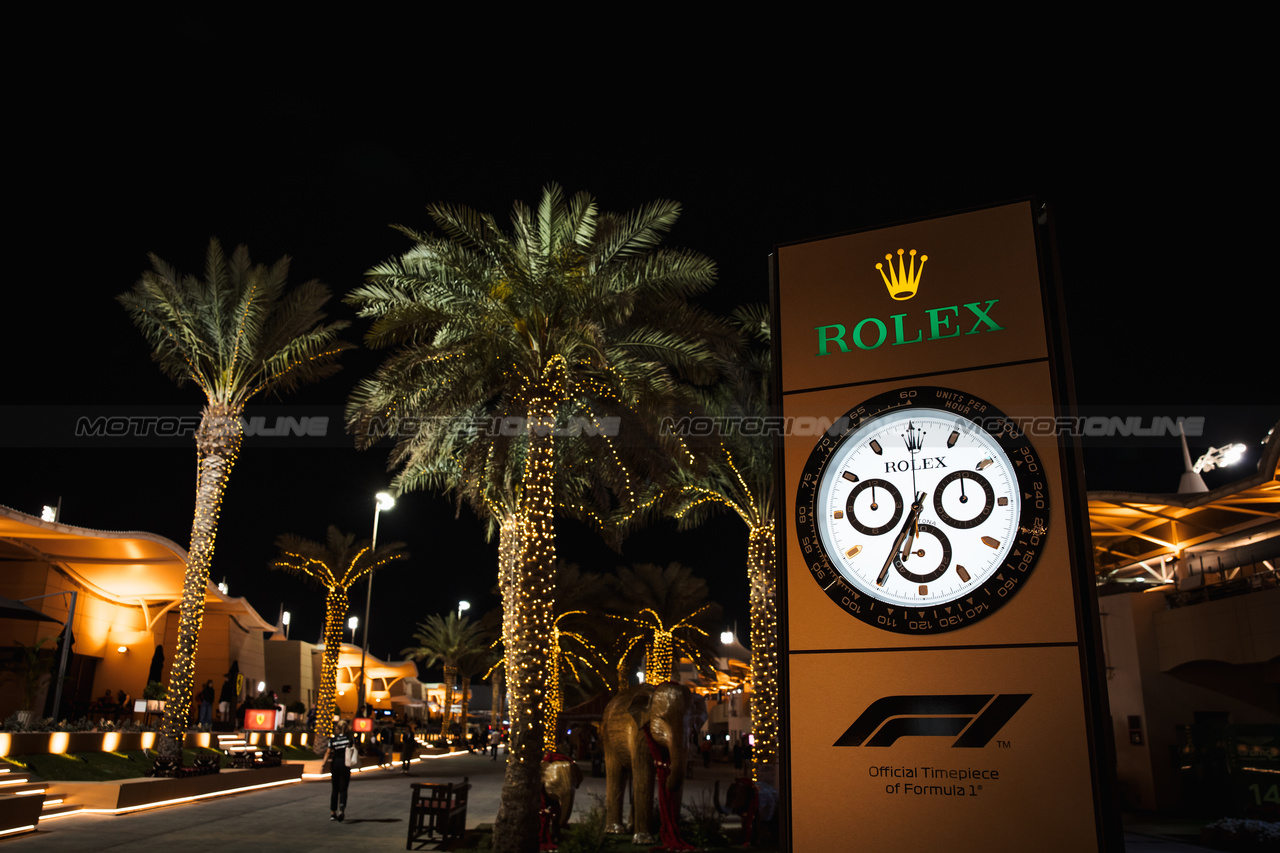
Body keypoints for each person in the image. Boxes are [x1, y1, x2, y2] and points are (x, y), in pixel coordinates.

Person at [322, 720, 354, 822]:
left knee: (334, 788)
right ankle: (342, 806)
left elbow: (328, 752)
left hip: (335, 764)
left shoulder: (333, 739)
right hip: (345, 764)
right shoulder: (349, 738)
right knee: (343, 788)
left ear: (337, 728)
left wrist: (323, 764)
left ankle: (332, 812)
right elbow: (353, 749)